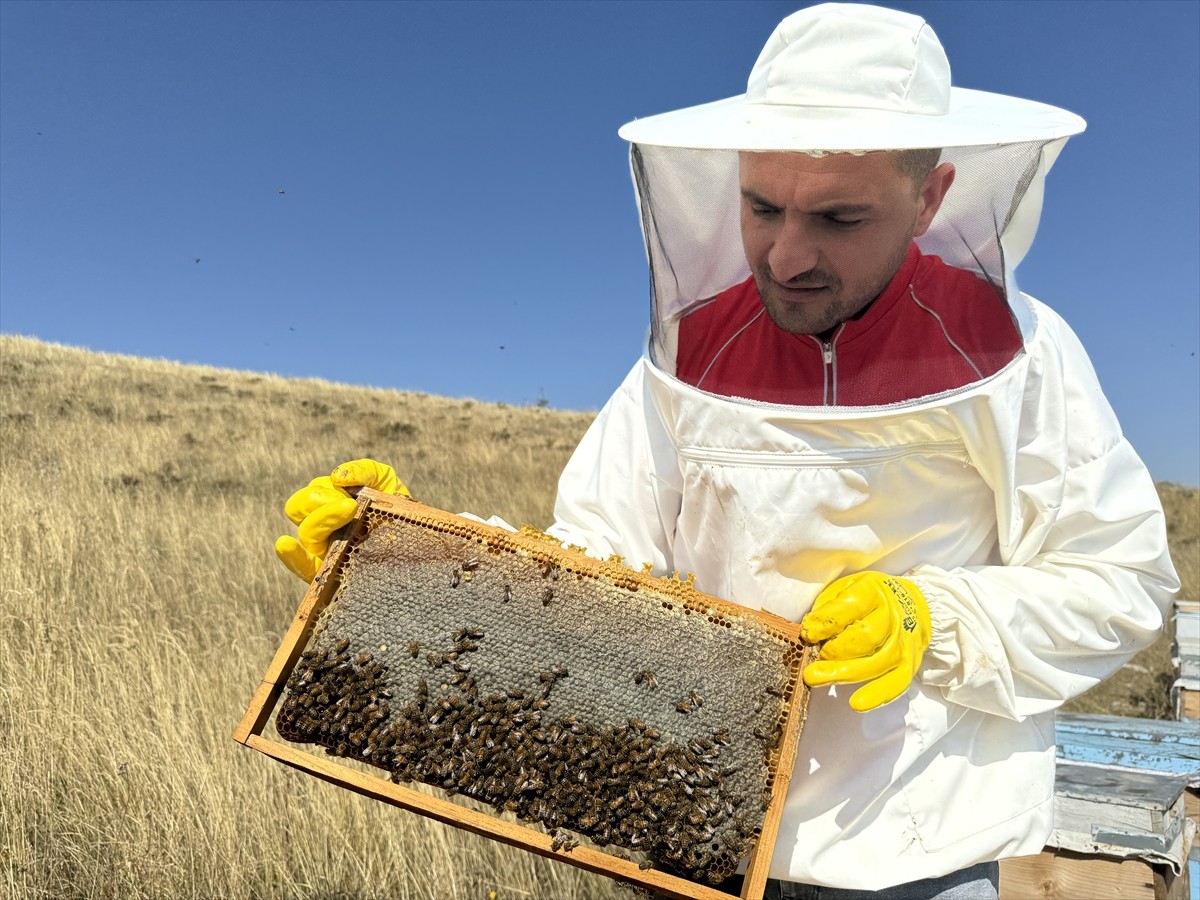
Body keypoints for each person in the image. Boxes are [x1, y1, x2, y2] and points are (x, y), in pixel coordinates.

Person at [274, 5, 1179, 898]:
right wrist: (406, 555)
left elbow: (1121, 580)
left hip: (908, 855)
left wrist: (931, 621)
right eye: (762, 206)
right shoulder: (688, 352)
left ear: (931, 196)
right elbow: (597, 563)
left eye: (839, 218)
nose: (787, 256)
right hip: (686, 838)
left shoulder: (1015, 354)